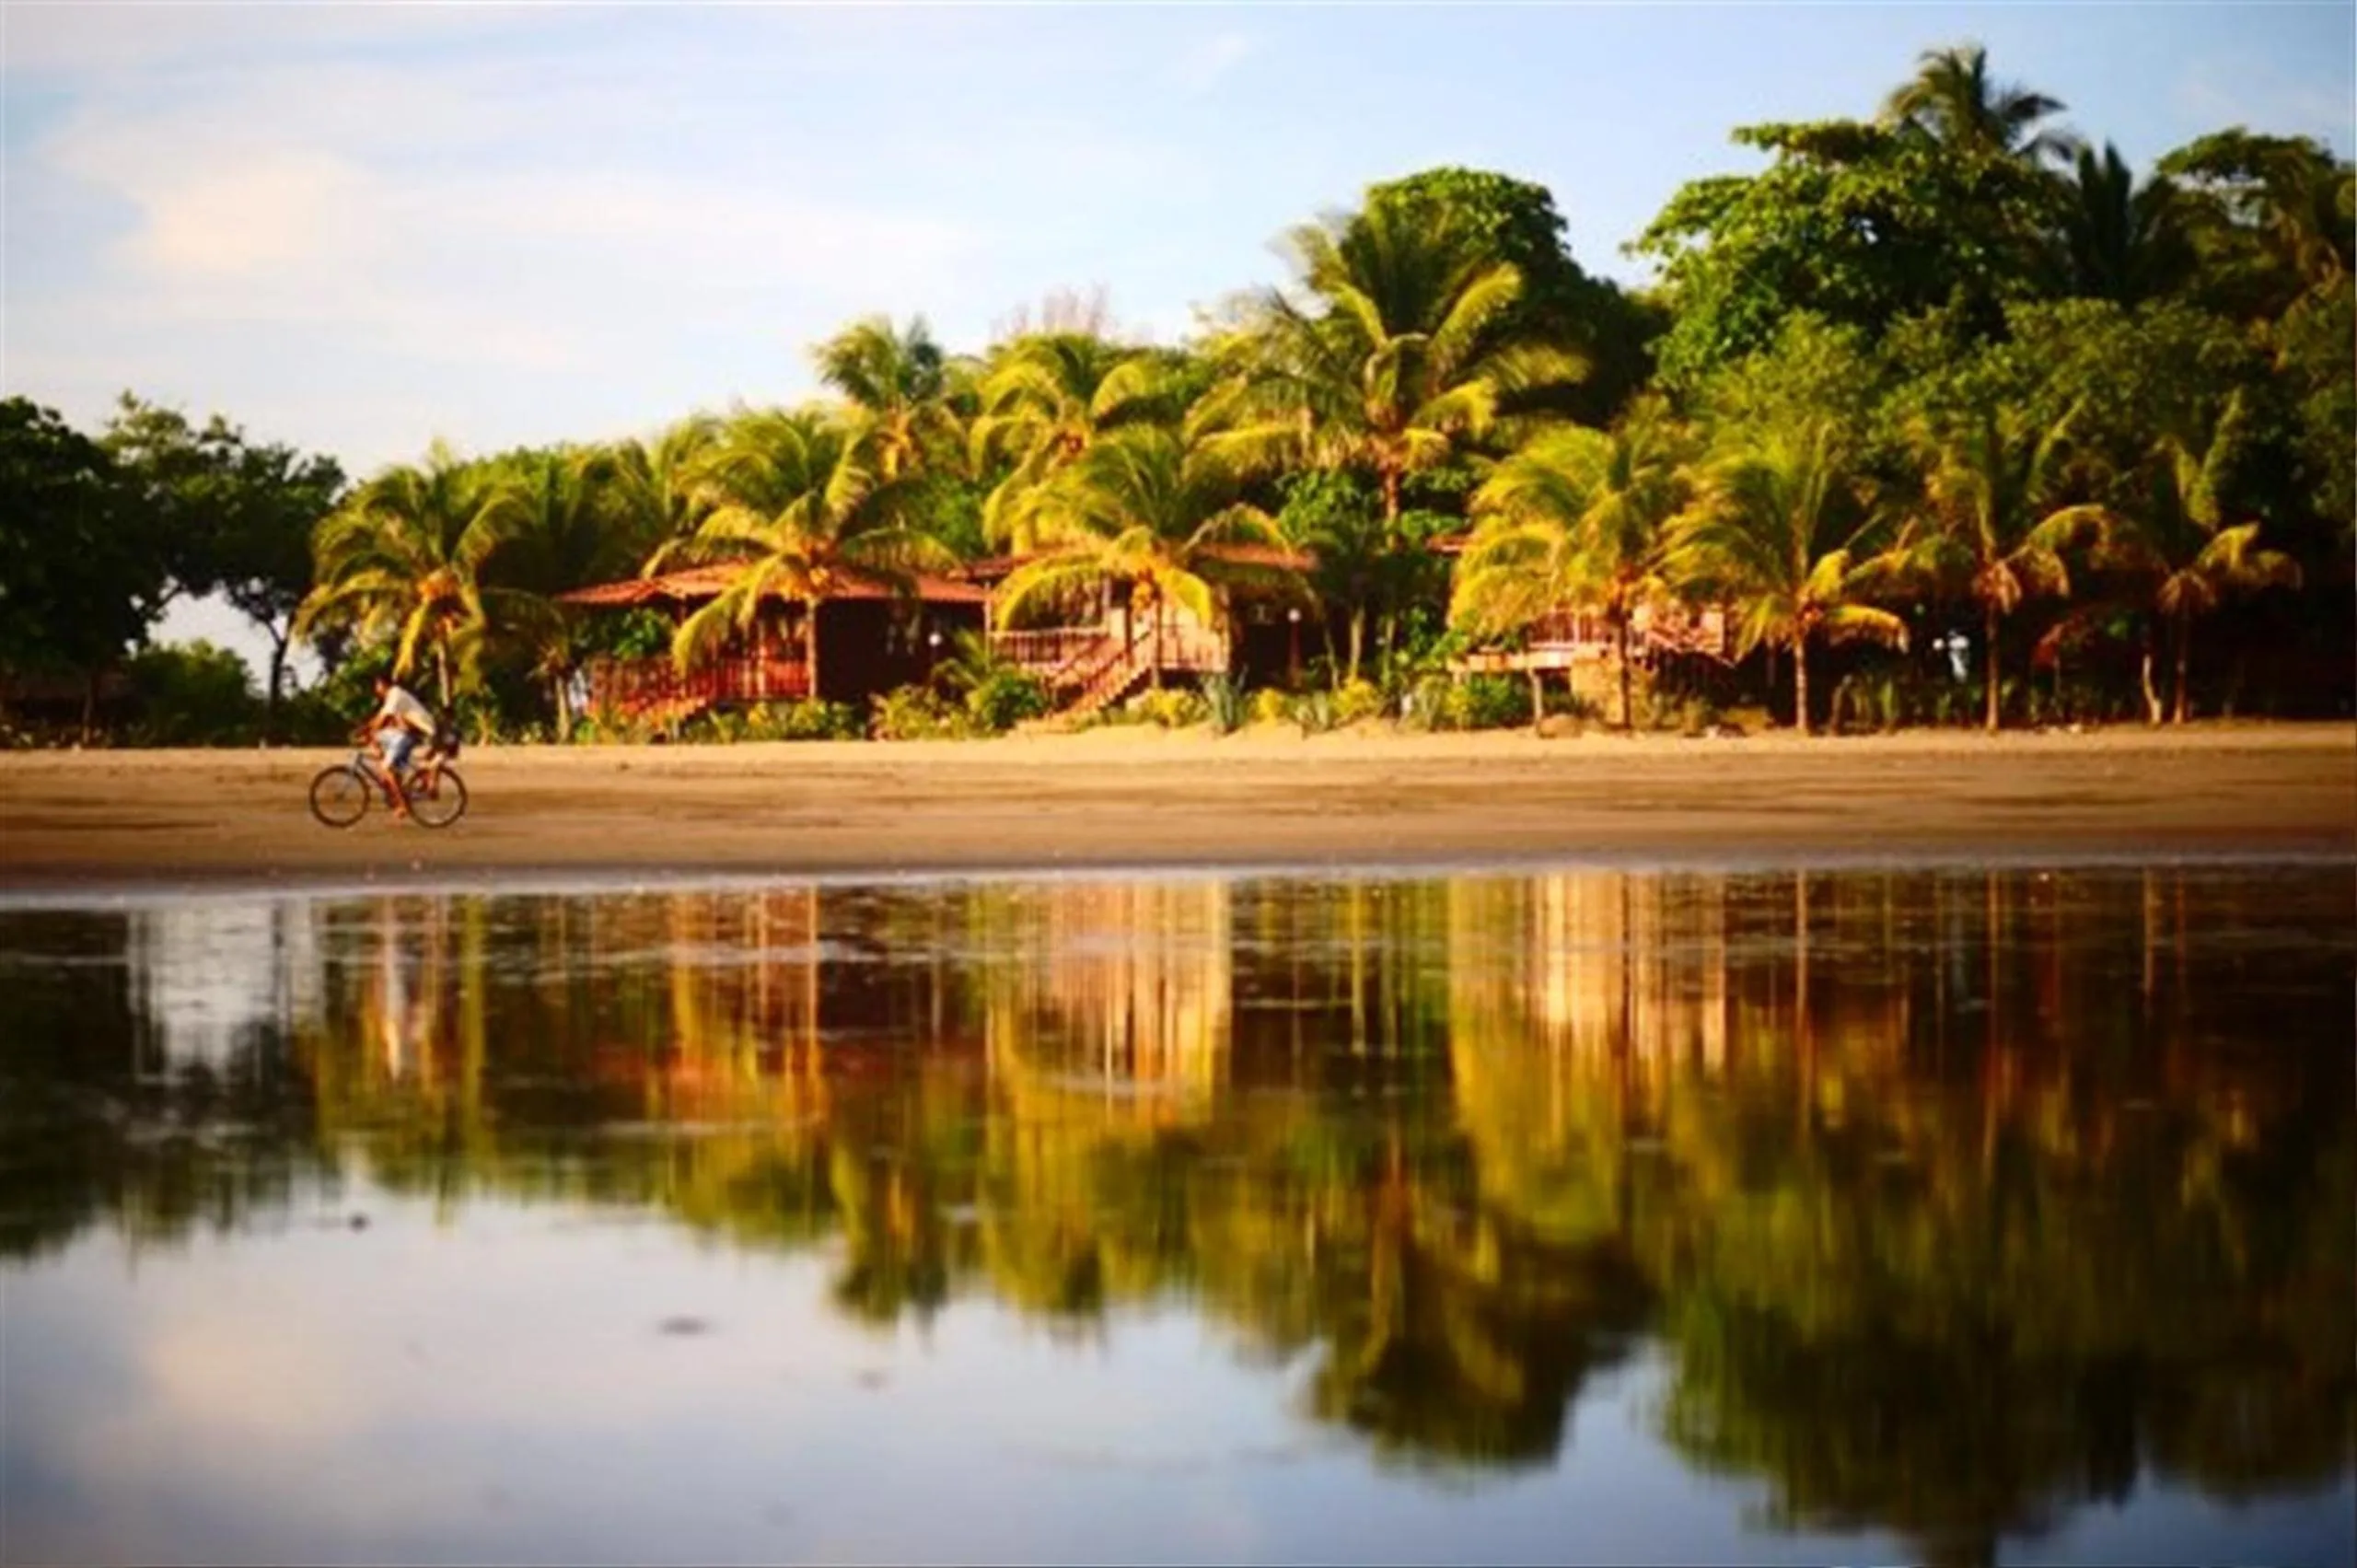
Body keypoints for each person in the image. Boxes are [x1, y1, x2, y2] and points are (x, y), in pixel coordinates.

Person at [359, 675, 440, 820]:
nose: (376, 690)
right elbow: (379, 718)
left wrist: (367, 731)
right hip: (408, 731)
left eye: (377, 686)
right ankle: (394, 774)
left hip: (418, 731)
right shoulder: (392, 697)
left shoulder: (395, 694)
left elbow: (383, 719)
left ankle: (402, 804)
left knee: (386, 768)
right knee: (379, 738)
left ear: (383, 684)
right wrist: (366, 730)